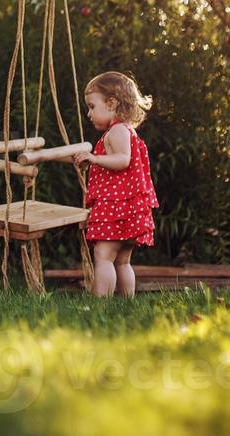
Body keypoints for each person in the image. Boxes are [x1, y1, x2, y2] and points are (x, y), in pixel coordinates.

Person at [72, 71, 158, 297]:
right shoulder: (127, 130)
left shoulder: (118, 130)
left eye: (92, 106)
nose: (89, 113)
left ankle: (101, 303)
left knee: (103, 256)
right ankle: (126, 302)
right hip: (127, 209)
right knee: (122, 261)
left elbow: (123, 160)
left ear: (111, 103)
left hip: (116, 208)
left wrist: (95, 158)